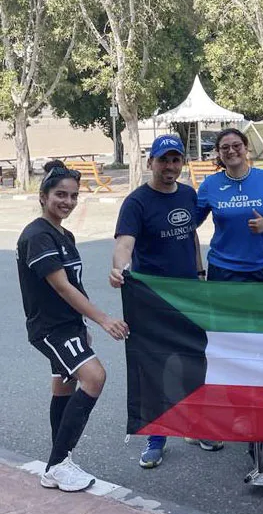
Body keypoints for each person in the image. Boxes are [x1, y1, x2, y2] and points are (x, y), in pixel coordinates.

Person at [110, 134, 223, 468]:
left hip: (189, 293)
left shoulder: (189, 194)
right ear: (151, 163)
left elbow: (191, 236)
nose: (170, 166)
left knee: (195, 360)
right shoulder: (137, 202)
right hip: (153, 298)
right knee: (158, 365)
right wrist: (119, 269)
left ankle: (196, 426)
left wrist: (200, 274)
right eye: (164, 160)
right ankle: (157, 437)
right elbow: (123, 244)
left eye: (175, 160)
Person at [17, 163, 129, 492]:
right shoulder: (37, 236)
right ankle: (57, 464)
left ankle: (58, 463)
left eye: (73, 196)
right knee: (95, 376)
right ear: (43, 196)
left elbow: (75, 287)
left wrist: (82, 325)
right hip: (50, 328)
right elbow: (62, 287)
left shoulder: (64, 234)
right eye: (60, 195)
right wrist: (104, 319)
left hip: (68, 325)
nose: (67, 201)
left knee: (64, 386)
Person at [197, 128, 263, 282]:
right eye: (225, 148)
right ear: (218, 153)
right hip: (223, 270)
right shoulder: (209, 184)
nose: (231, 151)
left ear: (246, 148)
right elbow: (190, 225)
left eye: (237, 146)